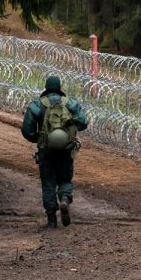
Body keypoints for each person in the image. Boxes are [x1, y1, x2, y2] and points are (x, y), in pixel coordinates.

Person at [21, 76, 88, 228]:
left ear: (46, 87)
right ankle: (64, 199)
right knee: (65, 179)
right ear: (59, 87)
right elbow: (83, 123)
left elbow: (27, 130)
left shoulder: (37, 105)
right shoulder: (70, 103)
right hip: (66, 149)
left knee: (48, 182)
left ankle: (52, 220)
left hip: (46, 150)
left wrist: (39, 138)